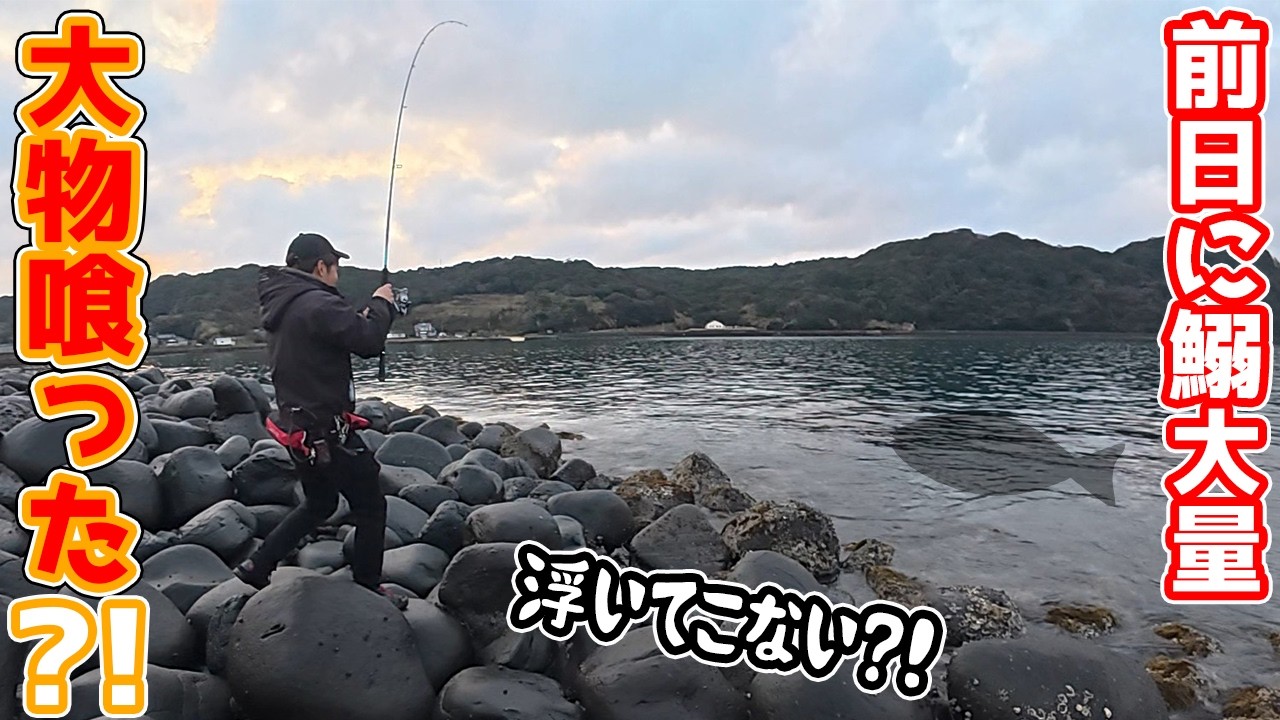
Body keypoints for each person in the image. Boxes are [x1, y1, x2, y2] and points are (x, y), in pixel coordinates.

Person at [233, 232, 406, 609]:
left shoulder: (285, 303)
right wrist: (382, 303)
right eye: (335, 267)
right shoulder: (317, 302)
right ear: (321, 267)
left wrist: (365, 316)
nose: (337, 275)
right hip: (327, 431)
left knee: (321, 502)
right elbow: (368, 341)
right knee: (371, 507)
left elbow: (333, 335)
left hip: (297, 427)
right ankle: (368, 587)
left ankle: (257, 564)